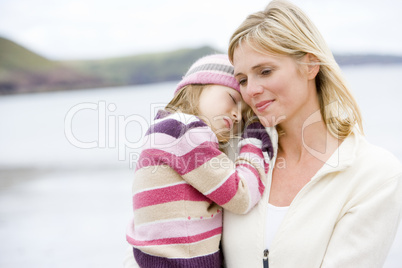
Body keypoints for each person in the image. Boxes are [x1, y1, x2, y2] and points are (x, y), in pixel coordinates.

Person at [222, 1, 402, 267]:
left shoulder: (374, 174)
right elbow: (155, 234)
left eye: (265, 71)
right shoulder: (231, 156)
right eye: (243, 79)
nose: (251, 91)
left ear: (310, 65)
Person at [124, 54, 274, 268]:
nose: (238, 117)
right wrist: (253, 141)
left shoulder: (166, 129)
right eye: (232, 99)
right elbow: (241, 196)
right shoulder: (183, 131)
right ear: (198, 85)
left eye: (244, 114)